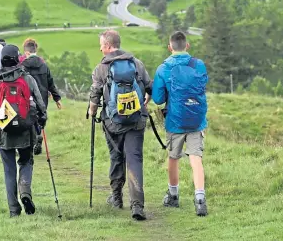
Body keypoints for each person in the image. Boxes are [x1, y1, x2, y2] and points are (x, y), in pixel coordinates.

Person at [87, 29, 152, 221]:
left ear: (108, 46)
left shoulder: (102, 67)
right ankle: (137, 205)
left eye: (101, 45)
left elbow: (95, 95)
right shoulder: (136, 64)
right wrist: (145, 100)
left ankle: (116, 198)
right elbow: (149, 87)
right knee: (134, 159)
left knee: (116, 156)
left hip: (113, 122)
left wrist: (92, 111)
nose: (100, 48)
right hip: (136, 121)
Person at [0, 44, 47, 218]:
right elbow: (40, 105)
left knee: (9, 170)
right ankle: (25, 190)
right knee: (26, 162)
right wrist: (42, 119)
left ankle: (13, 210)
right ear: (18, 58)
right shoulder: (28, 79)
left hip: (4, 133)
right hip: (26, 129)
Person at [151, 31, 209, 217]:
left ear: (170, 47)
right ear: (187, 45)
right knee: (196, 158)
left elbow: (158, 99)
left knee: (174, 157)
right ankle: (200, 199)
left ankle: (173, 195)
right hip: (196, 120)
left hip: (175, 120)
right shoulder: (199, 65)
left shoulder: (163, 68)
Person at [20, 38, 63, 155]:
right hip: (42, 99)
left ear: (27, 52)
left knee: (28, 119)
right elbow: (50, 83)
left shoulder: (22, 66)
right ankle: (38, 134)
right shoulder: (44, 66)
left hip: (27, 99)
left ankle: (31, 141)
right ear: (35, 50)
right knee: (40, 119)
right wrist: (57, 98)